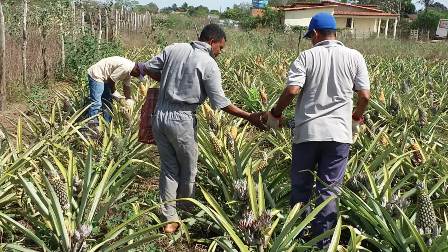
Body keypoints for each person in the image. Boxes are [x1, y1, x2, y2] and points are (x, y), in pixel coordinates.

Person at [142, 24, 265, 233]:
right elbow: (220, 102)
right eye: (221, 48)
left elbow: (149, 68)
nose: (220, 52)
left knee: (169, 167)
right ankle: (187, 209)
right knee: (188, 167)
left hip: (159, 115)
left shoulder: (174, 48)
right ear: (212, 42)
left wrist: (168, 81)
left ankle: (169, 217)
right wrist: (249, 116)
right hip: (181, 119)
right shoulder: (208, 63)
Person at [263, 13, 370, 248]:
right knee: (329, 190)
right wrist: (355, 117)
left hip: (307, 133)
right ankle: (322, 243)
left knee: (300, 186)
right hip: (339, 135)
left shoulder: (307, 57)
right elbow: (364, 96)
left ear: (316, 34)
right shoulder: (355, 56)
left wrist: (276, 113)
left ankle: (296, 238)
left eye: (311, 36)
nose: (311, 40)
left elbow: (292, 90)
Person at [86, 56, 146, 126]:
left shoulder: (130, 71)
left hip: (106, 77)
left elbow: (126, 86)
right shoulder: (125, 68)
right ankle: (92, 125)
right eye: (137, 75)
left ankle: (108, 124)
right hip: (97, 75)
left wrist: (128, 98)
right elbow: (111, 80)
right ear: (137, 70)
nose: (136, 77)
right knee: (97, 102)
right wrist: (114, 93)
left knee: (108, 101)